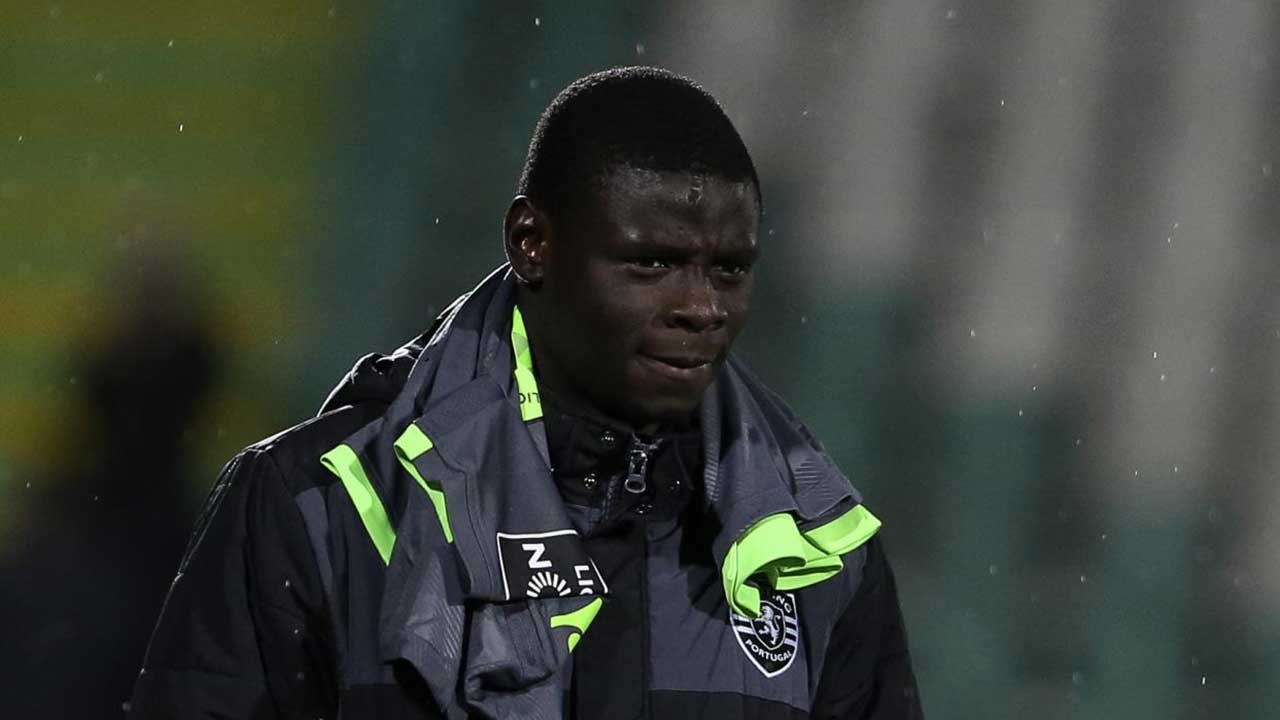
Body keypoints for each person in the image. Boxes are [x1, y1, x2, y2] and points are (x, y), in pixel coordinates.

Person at [129, 66, 923, 719]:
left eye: (730, 270)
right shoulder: (318, 506)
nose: (702, 307)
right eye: (652, 262)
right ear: (531, 243)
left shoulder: (820, 546)